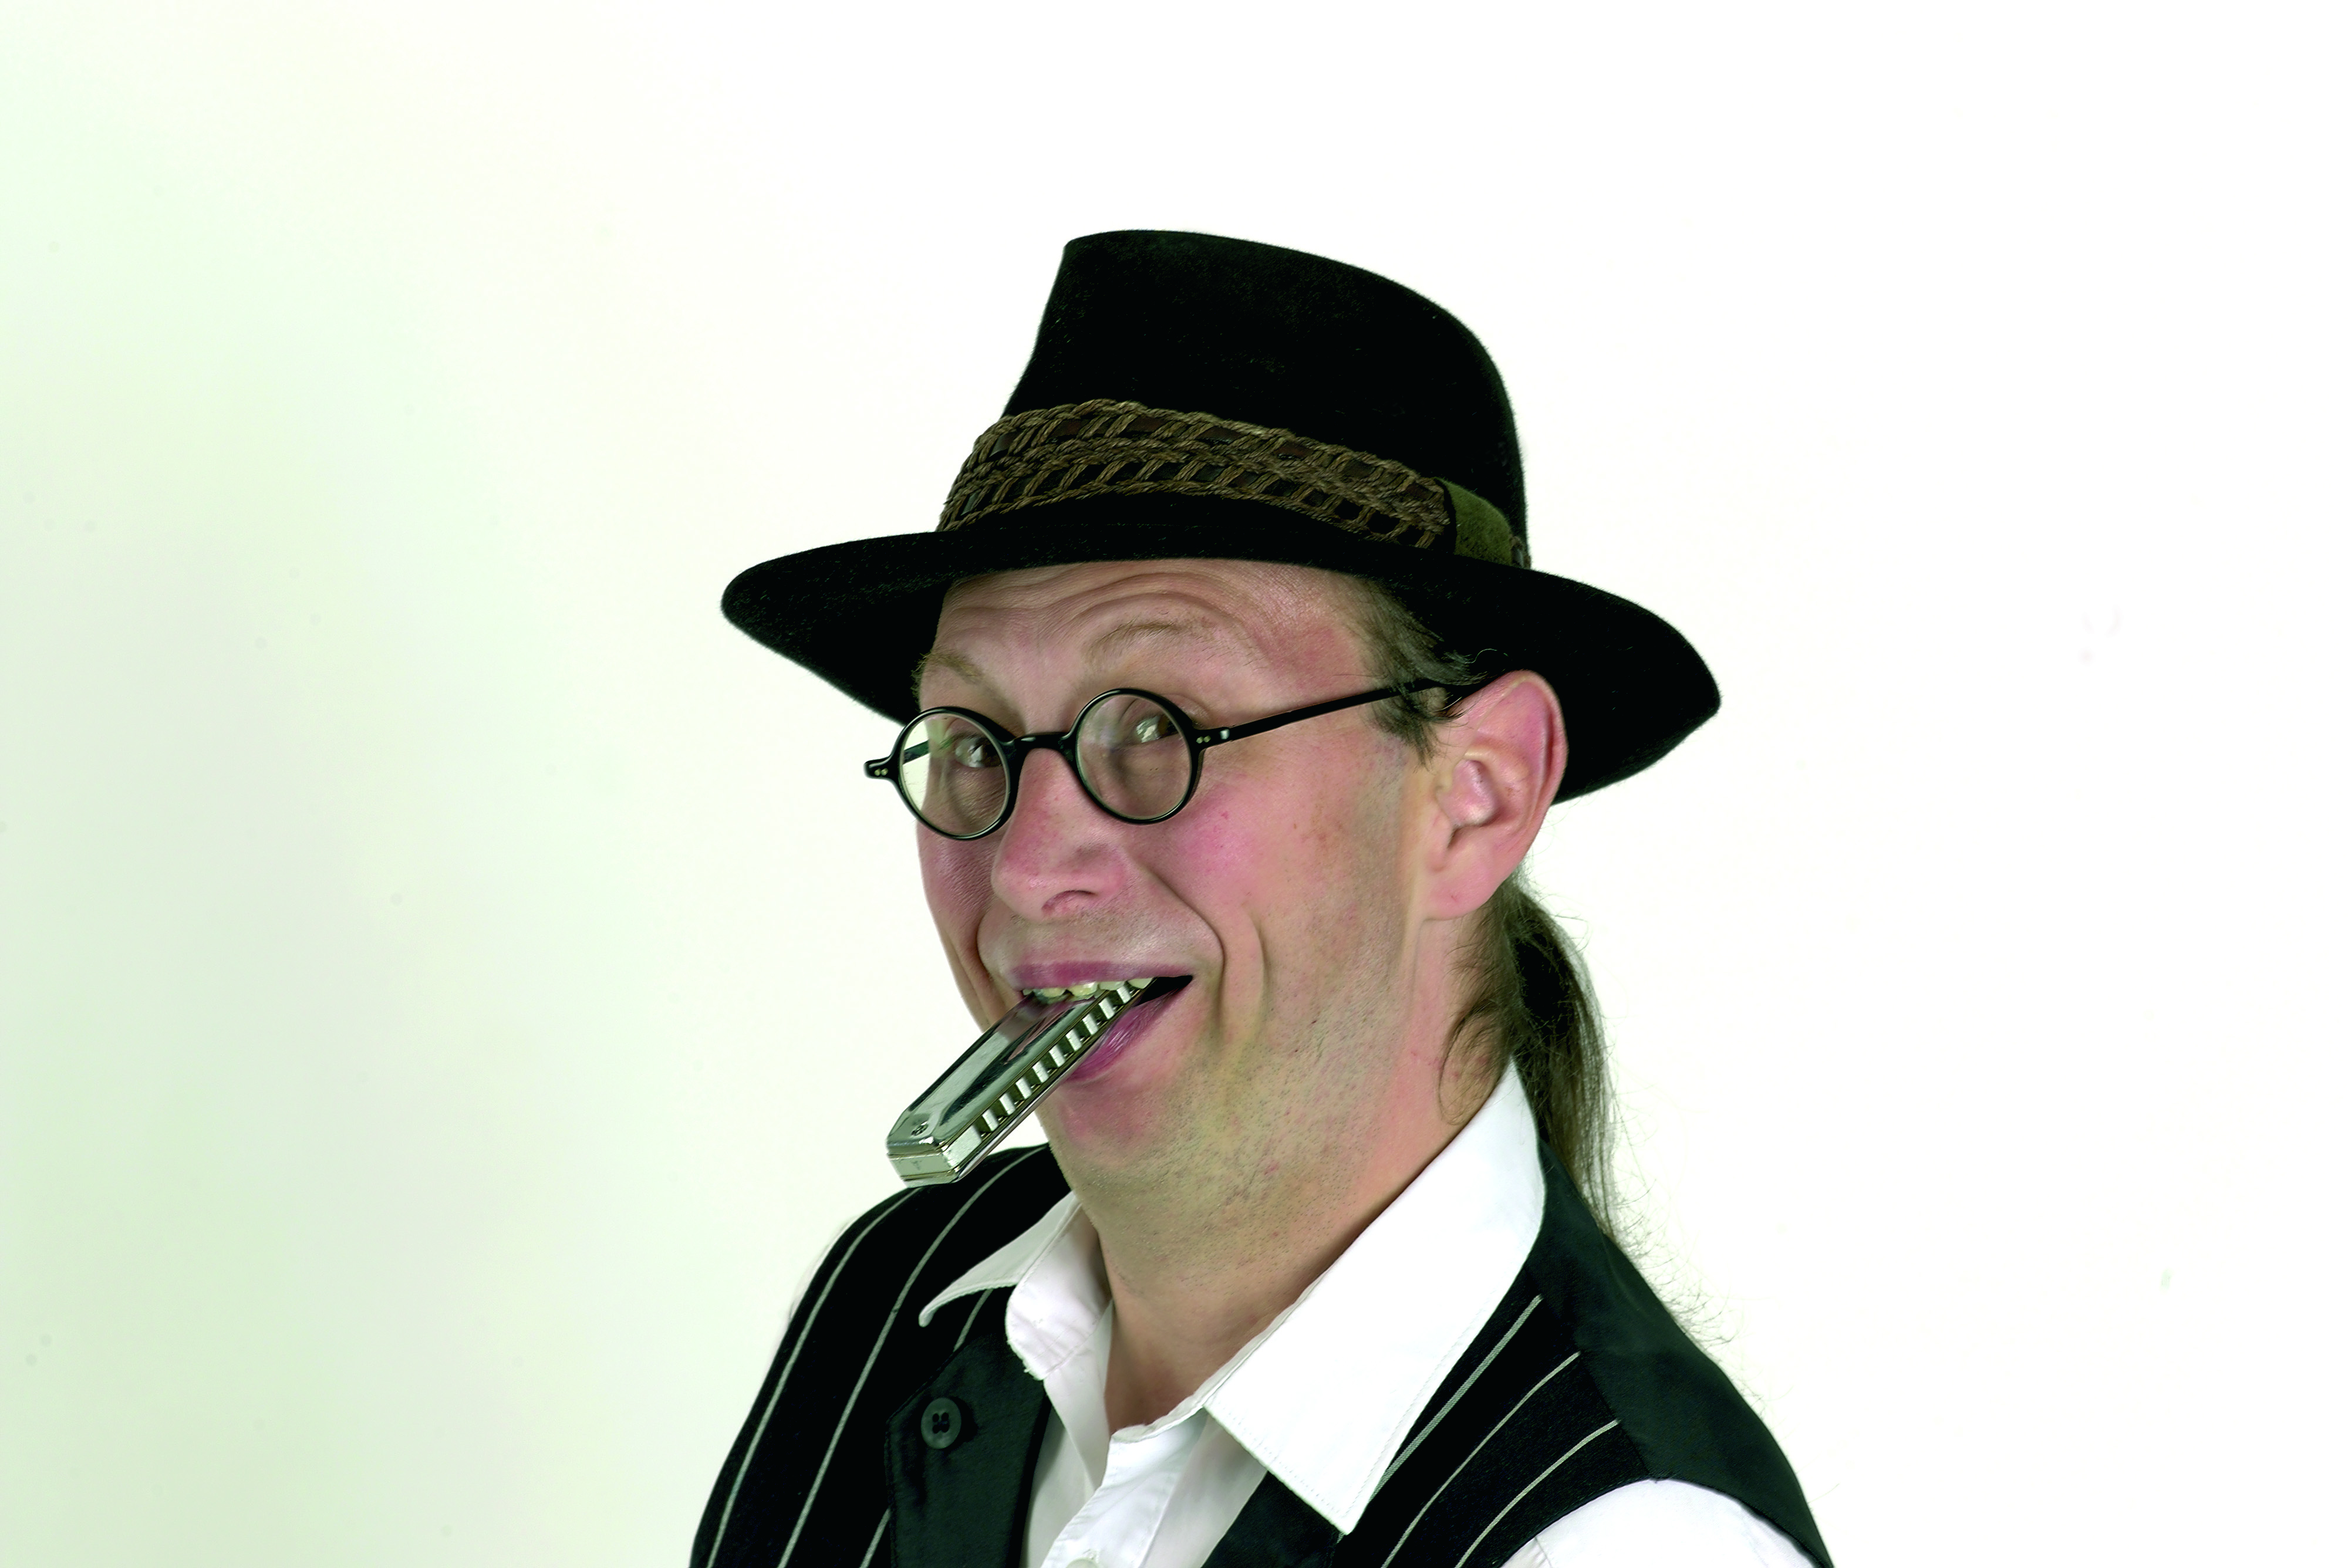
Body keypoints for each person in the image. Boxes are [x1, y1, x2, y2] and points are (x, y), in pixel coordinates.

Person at [693, 231, 1831, 1568]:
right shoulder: (888, 1303)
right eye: (973, 742)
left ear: (1473, 795)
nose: (1024, 869)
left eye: (1158, 727)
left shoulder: (1622, 1544)